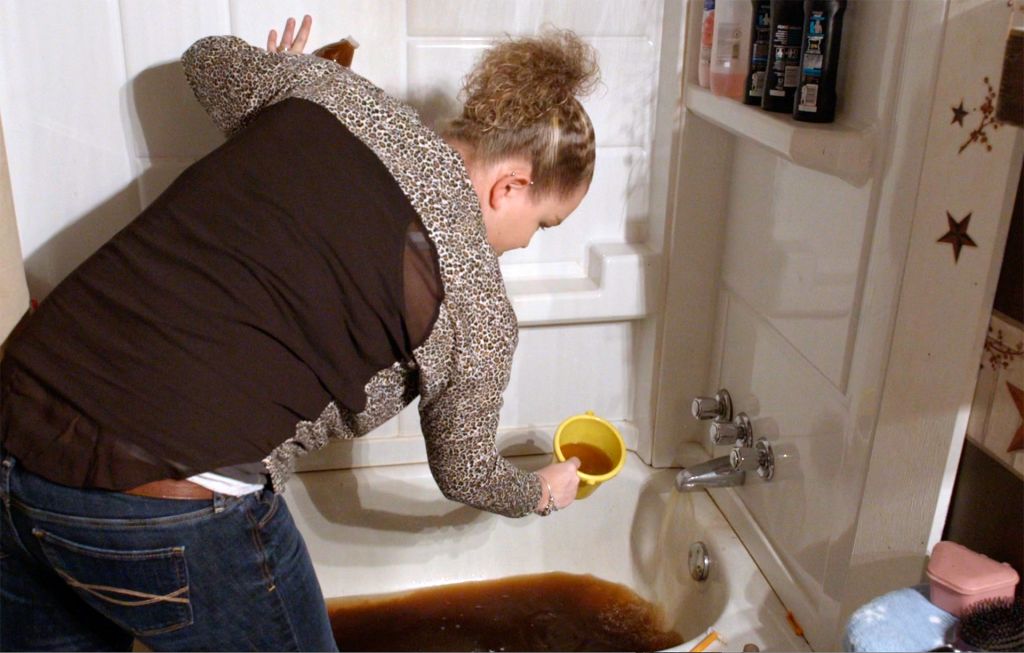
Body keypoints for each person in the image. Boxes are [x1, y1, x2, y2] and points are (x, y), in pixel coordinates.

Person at [0, 14, 599, 652]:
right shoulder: (479, 306)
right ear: (511, 187)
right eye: (547, 223)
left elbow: (207, 59)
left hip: (16, 419)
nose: (530, 242)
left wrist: (288, 83)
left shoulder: (330, 92)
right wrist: (539, 490)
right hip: (164, 502)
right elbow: (465, 472)